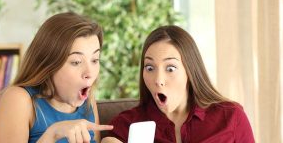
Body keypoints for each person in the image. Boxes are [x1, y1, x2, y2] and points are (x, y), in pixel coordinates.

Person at [102, 25, 255, 143]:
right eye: (150, 68)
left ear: (190, 71)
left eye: (170, 68)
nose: (158, 80)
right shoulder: (125, 126)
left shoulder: (231, 117)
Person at [0, 12, 113, 143]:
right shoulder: (18, 99)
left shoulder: (88, 101)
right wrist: (52, 135)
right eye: (76, 62)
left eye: (95, 60)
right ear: (49, 64)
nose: (89, 73)